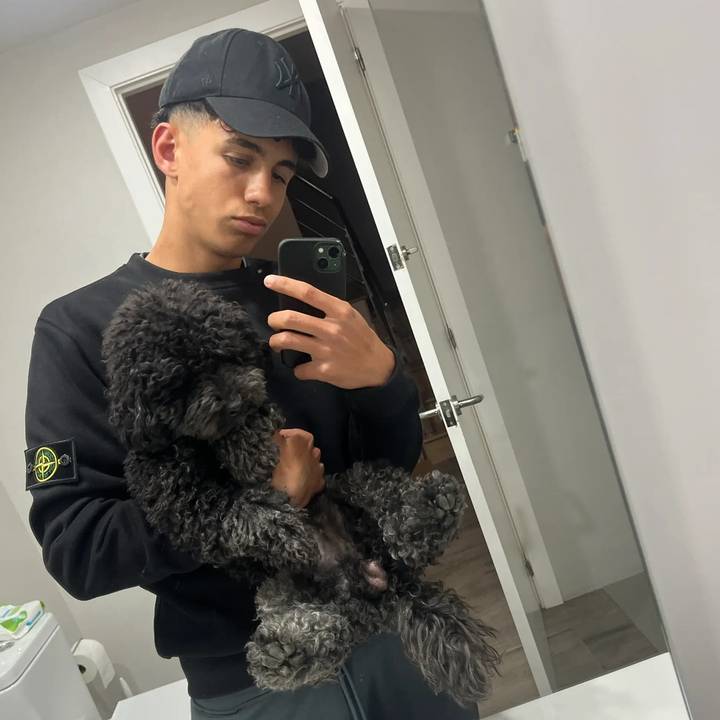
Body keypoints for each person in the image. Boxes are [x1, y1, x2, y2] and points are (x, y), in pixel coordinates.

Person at [23, 29, 478, 720]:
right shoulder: (80, 329)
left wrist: (384, 383)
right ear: (168, 149)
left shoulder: (295, 300)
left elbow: (383, 467)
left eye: (282, 173)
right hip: (254, 680)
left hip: (393, 632)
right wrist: (259, 504)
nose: (262, 193)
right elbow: (78, 549)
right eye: (239, 158)